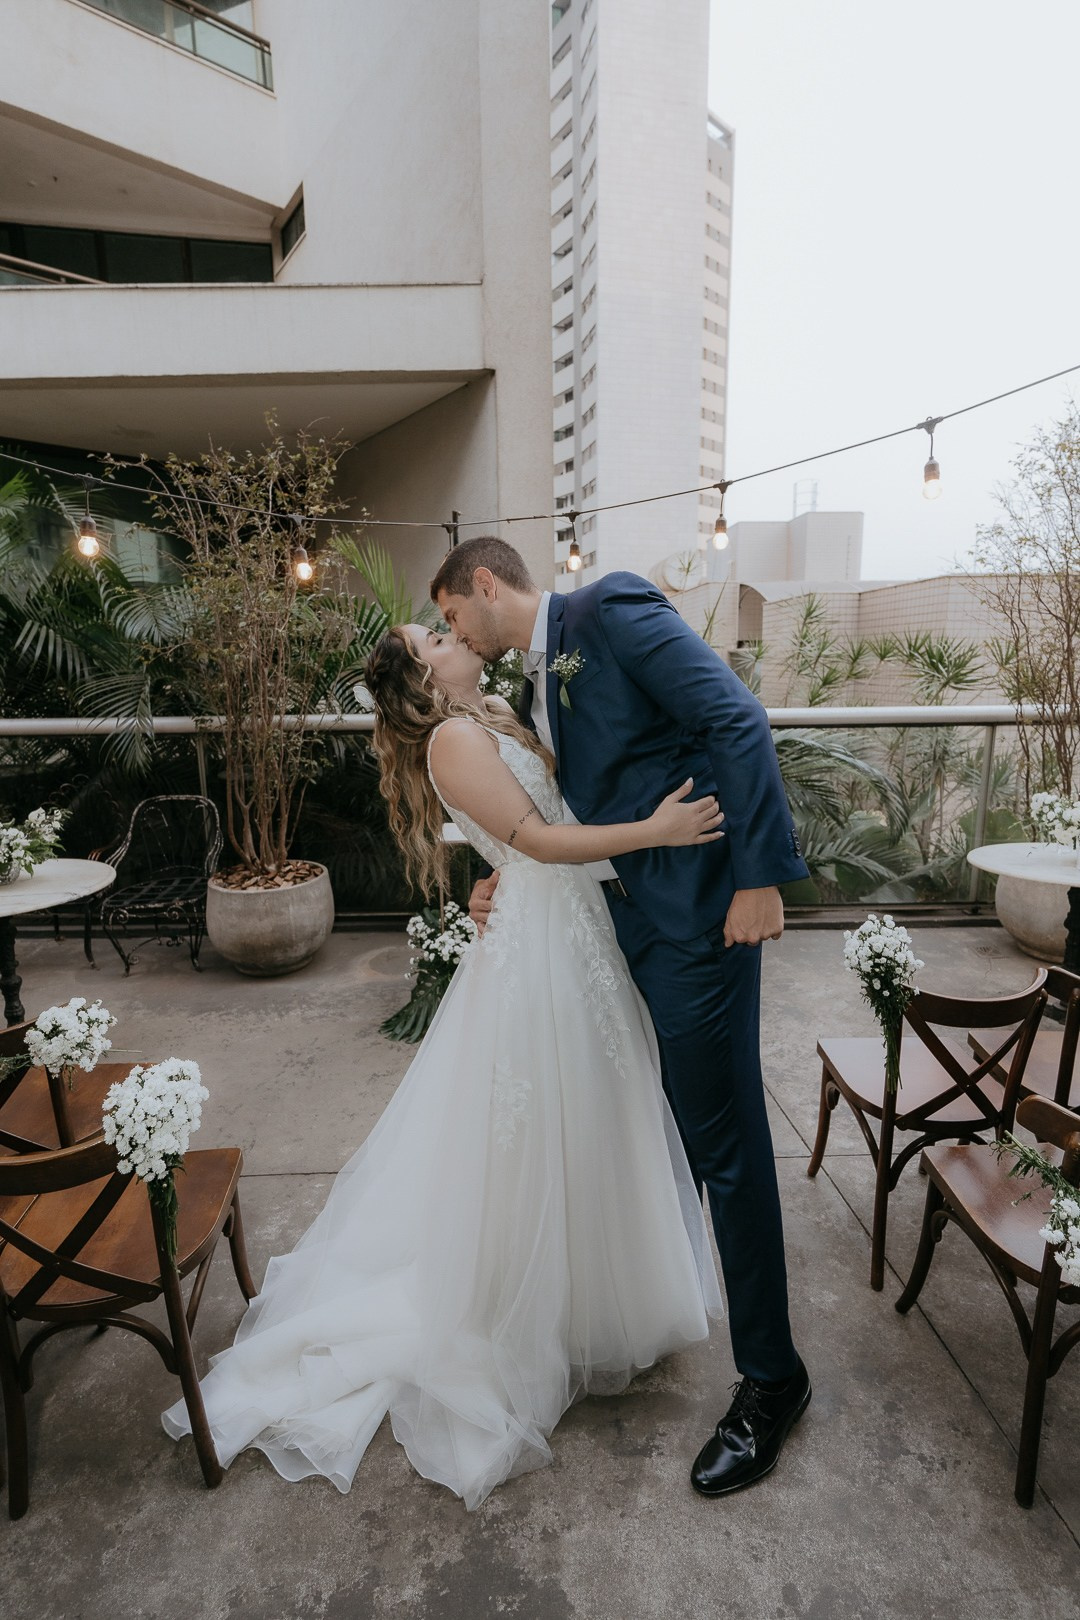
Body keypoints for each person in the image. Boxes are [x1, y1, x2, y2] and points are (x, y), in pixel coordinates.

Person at [162, 620, 725, 1509]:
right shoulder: (453, 741)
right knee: (549, 1118)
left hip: (569, 930)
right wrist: (652, 830)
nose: (454, 632)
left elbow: (531, 827)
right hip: (542, 950)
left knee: (600, 1110)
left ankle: (600, 1296)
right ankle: (536, 1311)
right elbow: (536, 842)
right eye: (437, 633)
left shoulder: (493, 710)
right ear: (428, 671)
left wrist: (495, 872)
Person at [431, 536, 812, 1497]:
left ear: (482, 585)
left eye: (447, 614)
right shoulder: (533, 683)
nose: (452, 632)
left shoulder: (609, 610)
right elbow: (565, 804)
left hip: (699, 930)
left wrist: (760, 880)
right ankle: (681, 1296)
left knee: (725, 1148)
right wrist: (503, 881)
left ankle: (773, 1381)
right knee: (678, 1130)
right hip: (621, 929)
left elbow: (737, 718)